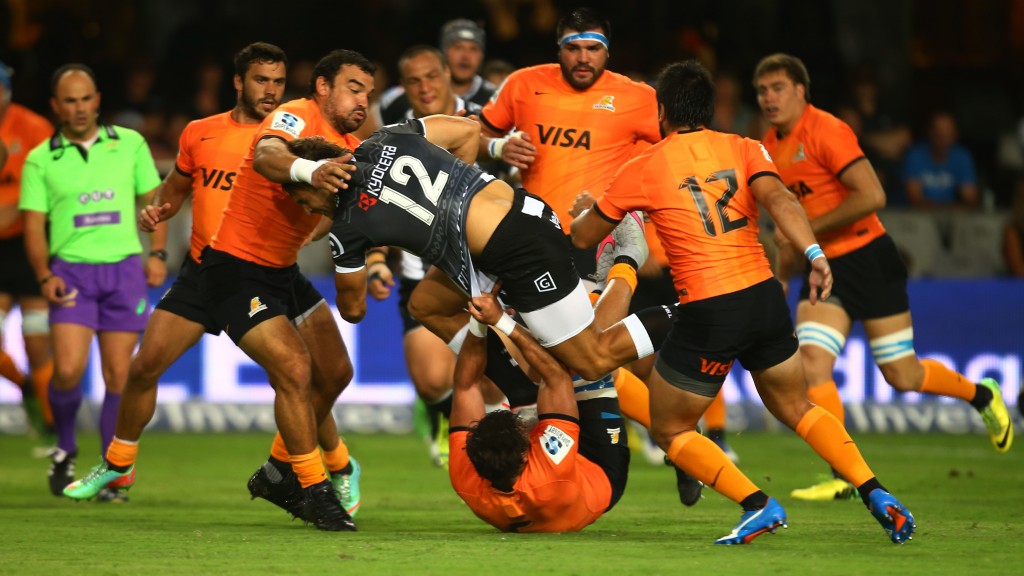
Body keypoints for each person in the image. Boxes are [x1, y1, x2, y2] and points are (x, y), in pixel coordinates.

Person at [571, 60, 916, 545]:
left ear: (662, 111)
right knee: (798, 406)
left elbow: (586, 234)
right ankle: (874, 489)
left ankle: (758, 504)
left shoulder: (644, 166)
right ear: (710, 109)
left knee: (670, 427)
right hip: (763, 297)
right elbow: (783, 203)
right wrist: (814, 253)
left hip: (709, 309)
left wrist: (591, 210)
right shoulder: (745, 147)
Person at [59, 43, 359, 519]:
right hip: (208, 270)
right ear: (238, 82)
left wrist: (312, 232)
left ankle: (332, 464)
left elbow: (324, 204)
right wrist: (159, 216)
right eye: (262, 80)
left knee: (319, 372)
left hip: (269, 267)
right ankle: (118, 463)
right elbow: (175, 189)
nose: (271, 91)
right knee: (145, 368)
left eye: (279, 82)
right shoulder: (202, 133)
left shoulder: (290, 134)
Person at [753, 53, 1013, 501]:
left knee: (903, 376)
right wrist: (781, 276)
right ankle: (842, 474)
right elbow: (784, 224)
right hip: (823, 268)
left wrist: (809, 231)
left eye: (777, 88)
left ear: (801, 90)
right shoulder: (768, 145)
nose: (768, 98)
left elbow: (872, 194)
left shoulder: (826, 130)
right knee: (812, 366)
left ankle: (981, 396)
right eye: (761, 91)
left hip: (868, 259)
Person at [19, 63, 168, 497]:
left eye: (86, 98)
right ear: (56, 106)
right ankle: (65, 447)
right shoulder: (40, 158)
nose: (79, 107)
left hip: (123, 270)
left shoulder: (130, 144)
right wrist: (44, 274)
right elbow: (32, 226)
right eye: (70, 100)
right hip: (71, 271)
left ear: (98, 100)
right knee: (66, 371)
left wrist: (156, 253)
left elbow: (153, 202)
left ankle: (111, 470)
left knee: (119, 377)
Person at [366, 45, 494, 467]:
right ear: (404, 85)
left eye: (431, 77)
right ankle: (442, 416)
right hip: (423, 273)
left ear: (446, 76)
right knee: (432, 380)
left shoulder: (483, 115)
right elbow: (377, 198)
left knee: (496, 378)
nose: (424, 87)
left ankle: (492, 443)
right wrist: (378, 258)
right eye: (414, 80)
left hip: (485, 267)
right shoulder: (395, 124)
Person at [478, 6, 660, 280]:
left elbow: (677, 152)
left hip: (596, 238)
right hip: (532, 233)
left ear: (607, 51)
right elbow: (472, 138)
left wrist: (642, 201)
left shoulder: (639, 97)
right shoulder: (522, 84)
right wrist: (499, 147)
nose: (584, 58)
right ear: (559, 48)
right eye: (573, 48)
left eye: (593, 48)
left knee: (591, 322)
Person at [448, 283, 630, 533]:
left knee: (547, 366)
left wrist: (478, 322)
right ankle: (624, 267)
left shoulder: (466, 473)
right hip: (599, 471)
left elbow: (466, 385)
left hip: (549, 478)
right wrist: (502, 321)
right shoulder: (549, 472)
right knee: (584, 359)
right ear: (527, 454)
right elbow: (556, 375)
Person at [0, 59, 54, 437]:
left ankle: (50, 425)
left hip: (27, 242)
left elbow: (52, 182)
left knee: (36, 340)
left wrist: (16, 206)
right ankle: (27, 387)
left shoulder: (34, 127)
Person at [379, 19, 496, 126]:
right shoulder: (395, 102)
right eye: (458, 47)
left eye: (473, 49)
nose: (466, 56)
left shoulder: (494, 100)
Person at [902, 110, 979, 209]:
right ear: (930, 132)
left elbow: (970, 199)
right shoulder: (915, 155)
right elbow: (914, 199)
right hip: (919, 218)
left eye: (947, 132)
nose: (942, 137)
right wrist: (950, 208)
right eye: (938, 131)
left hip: (954, 217)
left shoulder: (962, 157)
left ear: (955, 133)